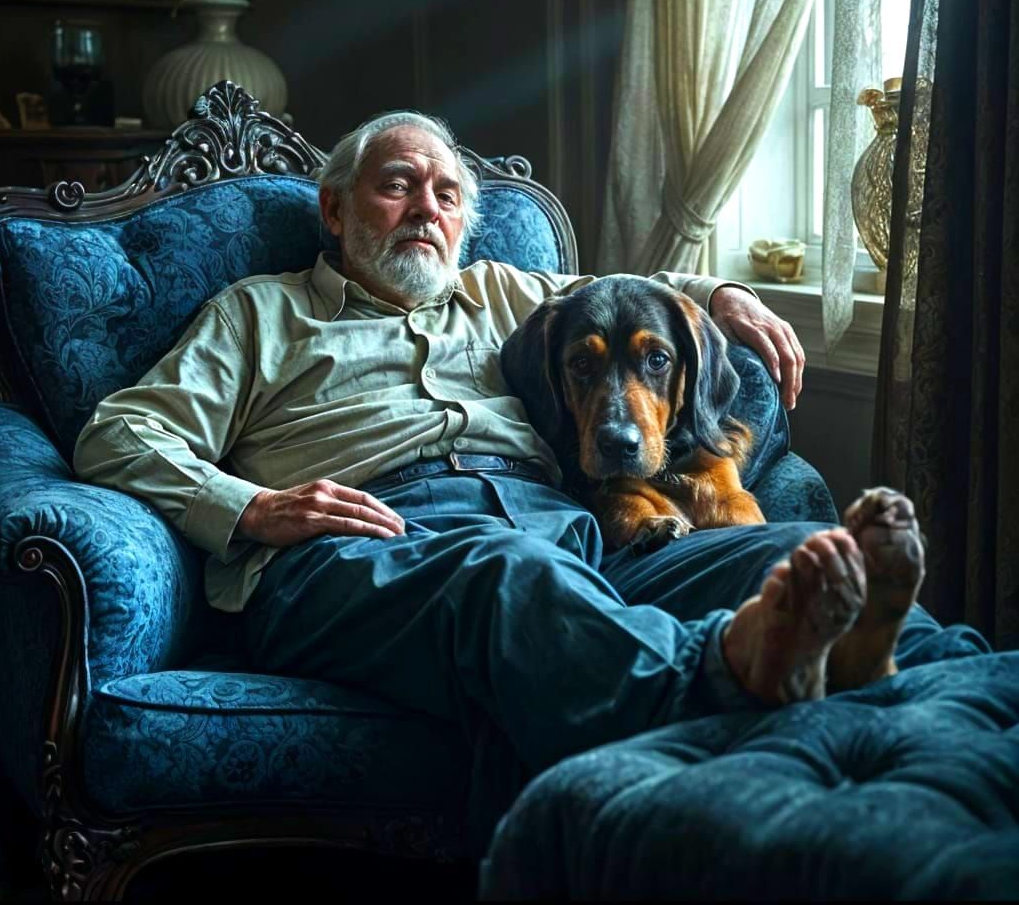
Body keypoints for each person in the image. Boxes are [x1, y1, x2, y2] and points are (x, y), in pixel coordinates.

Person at [72, 110, 983, 795]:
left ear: (468, 221)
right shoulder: (258, 314)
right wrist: (250, 507)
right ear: (334, 209)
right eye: (397, 186)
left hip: (564, 535)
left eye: (447, 194)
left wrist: (729, 294)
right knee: (503, 573)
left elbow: (643, 293)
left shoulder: (508, 292)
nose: (425, 210)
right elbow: (117, 433)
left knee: (783, 552)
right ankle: (721, 677)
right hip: (361, 548)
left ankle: (967, 692)